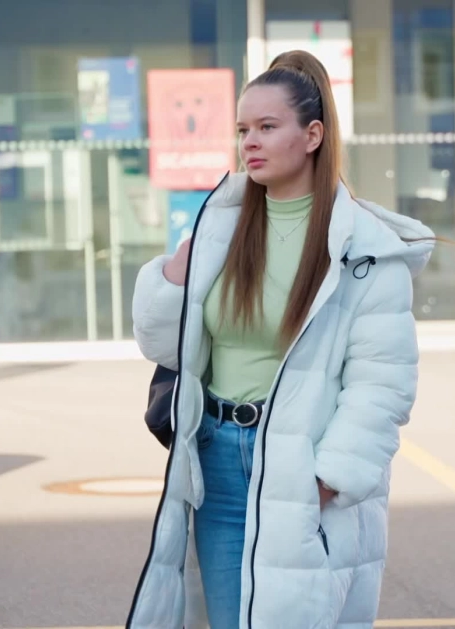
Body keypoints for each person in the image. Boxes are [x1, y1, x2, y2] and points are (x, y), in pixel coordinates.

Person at [126, 50, 437, 629]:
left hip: (302, 466)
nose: (250, 142)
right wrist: (171, 281)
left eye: (267, 127)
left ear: (312, 135)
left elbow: (383, 385)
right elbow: (165, 348)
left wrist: (326, 480)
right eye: (243, 129)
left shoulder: (365, 250)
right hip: (217, 459)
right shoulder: (220, 227)